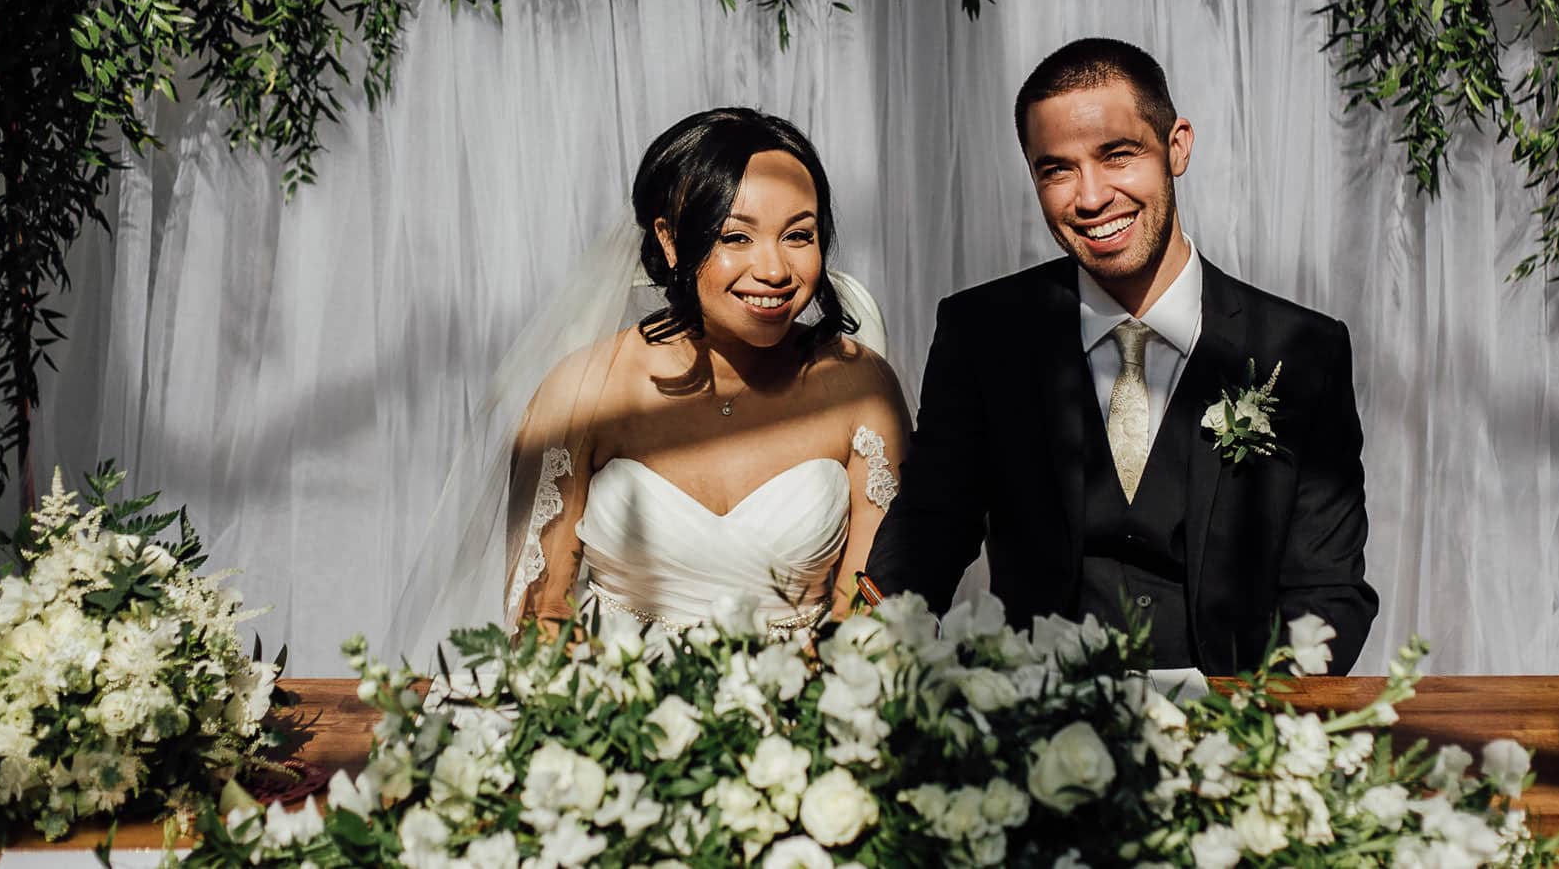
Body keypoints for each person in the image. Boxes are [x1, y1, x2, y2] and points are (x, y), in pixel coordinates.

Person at [863, 38, 1378, 673]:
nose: (1089, 197)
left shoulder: (1300, 351)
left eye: (1118, 155)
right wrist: (871, 654)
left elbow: (1326, 588)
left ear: (1177, 146)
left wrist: (1252, 729)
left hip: (1234, 729)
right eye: (1056, 169)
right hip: (1037, 724)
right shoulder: (984, 334)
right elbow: (929, 529)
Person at [429, 107, 909, 644]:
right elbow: (541, 616)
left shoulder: (862, 389)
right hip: (614, 708)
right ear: (671, 239)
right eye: (736, 238)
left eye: (799, 235)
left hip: (806, 705)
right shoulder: (583, 391)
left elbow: (869, 602)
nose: (774, 271)